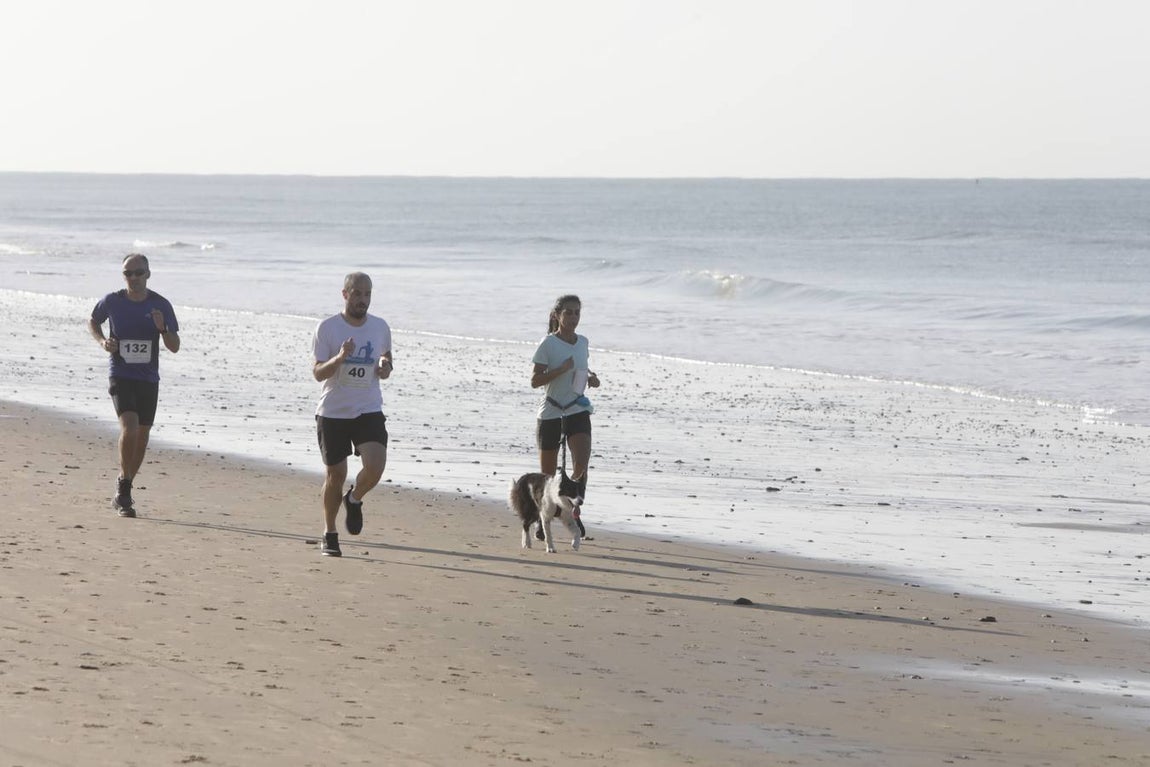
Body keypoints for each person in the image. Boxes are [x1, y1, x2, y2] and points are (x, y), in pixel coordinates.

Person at [87, 254, 181, 517]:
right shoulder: (113, 301)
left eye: (138, 272)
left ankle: (124, 481)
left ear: (148, 274)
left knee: (142, 435)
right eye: (128, 273)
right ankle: (125, 491)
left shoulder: (160, 305)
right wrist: (103, 342)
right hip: (120, 374)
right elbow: (93, 321)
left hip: (148, 378)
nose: (133, 278)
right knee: (129, 427)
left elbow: (174, 347)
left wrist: (163, 329)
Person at [312, 272, 393, 557]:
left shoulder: (380, 327)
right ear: (345, 294)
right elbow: (318, 372)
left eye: (367, 294)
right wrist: (340, 357)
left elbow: (386, 358)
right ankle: (330, 532)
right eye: (357, 293)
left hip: (367, 408)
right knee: (336, 474)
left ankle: (355, 498)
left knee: (376, 465)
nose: (363, 300)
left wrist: (385, 368)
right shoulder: (328, 328)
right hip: (333, 412)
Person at [531, 294, 601, 537]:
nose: (573, 317)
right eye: (568, 312)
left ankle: (572, 510)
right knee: (547, 476)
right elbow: (535, 380)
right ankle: (544, 518)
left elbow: (583, 368)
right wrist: (559, 370)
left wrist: (592, 378)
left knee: (581, 465)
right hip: (550, 411)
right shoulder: (548, 344)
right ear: (558, 315)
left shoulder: (583, 342)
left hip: (577, 409)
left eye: (577, 313)